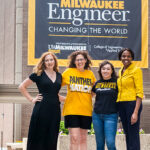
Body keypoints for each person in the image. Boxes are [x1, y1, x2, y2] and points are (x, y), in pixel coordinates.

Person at [19, 52, 62, 150]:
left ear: (54, 61)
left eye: (51, 60)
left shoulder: (59, 76)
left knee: (52, 137)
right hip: (41, 109)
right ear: (44, 62)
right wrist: (31, 99)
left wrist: (70, 98)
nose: (49, 62)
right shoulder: (38, 74)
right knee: (39, 136)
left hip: (55, 110)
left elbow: (55, 93)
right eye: (46, 60)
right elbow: (22, 86)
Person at [61, 50, 96, 150]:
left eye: (81, 59)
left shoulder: (90, 74)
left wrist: (86, 97)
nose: (79, 61)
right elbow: (54, 86)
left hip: (86, 111)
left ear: (85, 60)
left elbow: (94, 91)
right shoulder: (68, 72)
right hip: (71, 111)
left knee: (83, 139)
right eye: (77, 60)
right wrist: (63, 99)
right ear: (74, 62)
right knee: (74, 138)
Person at [117, 48, 143, 150]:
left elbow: (139, 92)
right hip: (121, 104)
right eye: (124, 56)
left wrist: (135, 112)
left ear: (132, 58)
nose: (126, 58)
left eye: (128, 56)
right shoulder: (120, 71)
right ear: (120, 58)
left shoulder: (136, 70)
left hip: (132, 104)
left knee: (133, 134)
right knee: (127, 133)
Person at [92, 61, 118, 150]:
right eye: (103, 69)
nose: (105, 71)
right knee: (99, 144)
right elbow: (89, 94)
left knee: (110, 143)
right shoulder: (97, 83)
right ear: (100, 71)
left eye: (108, 69)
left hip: (111, 116)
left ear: (111, 71)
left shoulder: (117, 82)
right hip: (97, 116)